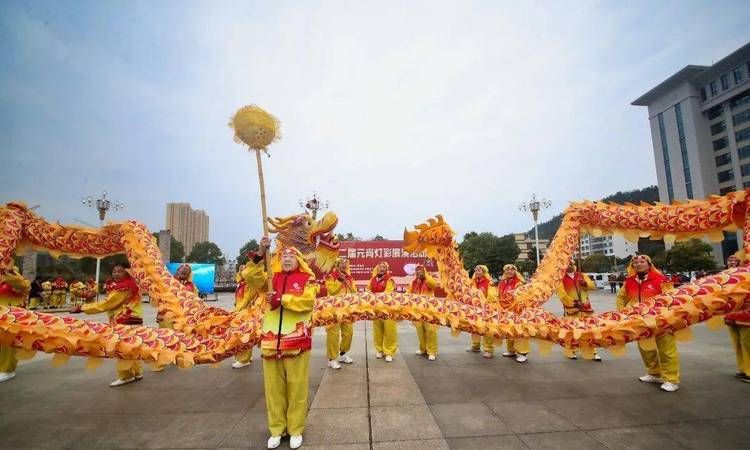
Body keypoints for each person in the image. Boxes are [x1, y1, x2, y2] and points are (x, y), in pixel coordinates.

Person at [240, 237, 317, 450]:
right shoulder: (271, 279)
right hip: (271, 341)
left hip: (297, 340)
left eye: (291, 257)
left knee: (297, 388)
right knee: (273, 389)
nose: (287, 259)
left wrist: (281, 299)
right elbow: (251, 277)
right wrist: (260, 251)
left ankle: (295, 429)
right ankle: (276, 429)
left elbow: (308, 302)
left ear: (299, 260)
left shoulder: (306, 279)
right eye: (284, 256)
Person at [616, 254, 679, 392]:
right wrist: (624, 312)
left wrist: (662, 314)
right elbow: (621, 298)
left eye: (642, 261)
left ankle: (671, 379)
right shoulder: (629, 281)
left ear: (649, 264)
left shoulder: (661, 279)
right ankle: (654, 373)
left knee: (667, 350)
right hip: (640, 322)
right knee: (646, 349)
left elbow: (671, 298)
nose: (638, 264)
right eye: (635, 262)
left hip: (661, 321)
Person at [82, 262, 144, 387]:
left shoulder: (124, 287)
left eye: (119, 271)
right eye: (114, 271)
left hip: (124, 321)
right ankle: (137, 372)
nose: (116, 274)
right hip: (133, 320)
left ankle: (126, 376)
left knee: (122, 349)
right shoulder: (131, 284)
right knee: (132, 348)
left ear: (126, 272)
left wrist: (82, 308)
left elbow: (106, 304)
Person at [557, 261, 601, 361]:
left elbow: (593, 286)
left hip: (586, 308)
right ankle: (571, 351)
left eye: (571, 264)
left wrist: (585, 284)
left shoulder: (582, 275)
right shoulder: (560, 279)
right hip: (572, 310)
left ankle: (592, 352)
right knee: (572, 331)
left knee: (589, 331)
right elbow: (562, 295)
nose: (569, 266)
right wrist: (575, 303)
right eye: (566, 264)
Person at [0, 266, 31, 383]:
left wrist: (7, 273)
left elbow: (24, 286)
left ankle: (7, 369)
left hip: (10, 317)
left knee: (7, 344)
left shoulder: (13, 276)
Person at [324, 258, 355, 369]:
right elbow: (331, 291)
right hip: (333, 309)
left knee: (349, 333)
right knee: (333, 334)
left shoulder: (349, 277)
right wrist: (339, 281)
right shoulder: (331, 277)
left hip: (347, 309)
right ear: (336, 264)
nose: (344, 265)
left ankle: (343, 353)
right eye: (341, 263)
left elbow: (353, 292)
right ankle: (332, 359)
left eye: (345, 263)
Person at [724, 254, 750, 383]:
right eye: (730, 260)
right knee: (737, 344)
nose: (732, 262)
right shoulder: (724, 276)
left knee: (747, 344)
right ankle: (742, 369)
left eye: (735, 260)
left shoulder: (746, 276)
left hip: (746, 316)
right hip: (731, 316)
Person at [368, 261, 397, 362]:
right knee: (377, 330)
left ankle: (389, 352)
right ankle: (380, 350)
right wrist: (369, 295)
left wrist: (375, 297)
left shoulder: (390, 279)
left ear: (386, 269)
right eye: (380, 267)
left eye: (384, 267)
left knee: (389, 331)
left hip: (387, 309)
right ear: (377, 268)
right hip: (376, 310)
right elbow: (368, 290)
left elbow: (388, 293)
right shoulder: (372, 279)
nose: (382, 268)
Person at [499, 264, 528, 363]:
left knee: (519, 332)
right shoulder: (502, 283)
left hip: (517, 311)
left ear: (515, 272)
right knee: (509, 331)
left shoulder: (519, 284)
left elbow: (521, 298)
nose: (509, 271)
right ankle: (511, 350)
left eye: (512, 270)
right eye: (507, 270)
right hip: (506, 311)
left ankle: (523, 353)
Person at [409, 265, 439, 361]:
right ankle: (423, 349)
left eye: (420, 270)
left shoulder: (429, 280)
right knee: (420, 331)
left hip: (429, 310)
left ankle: (432, 351)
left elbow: (434, 285)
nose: (418, 272)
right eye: (417, 271)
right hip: (418, 311)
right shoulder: (414, 283)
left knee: (430, 331)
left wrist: (425, 276)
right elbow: (408, 294)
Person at [466, 265, 496, 358]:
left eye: (479, 270)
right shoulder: (473, 282)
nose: (477, 272)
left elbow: (492, 295)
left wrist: (486, 306)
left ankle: (488, 349)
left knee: (487, 330)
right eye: (476, 270)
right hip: (474, 309)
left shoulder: (489, 282)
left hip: (486, 310)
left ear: (484, 272)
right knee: (475, 328)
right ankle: (475, 346)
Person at [231, 263, 254, 369]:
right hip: (240, 313)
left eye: (245, 269)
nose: (242, 271)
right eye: (241, 269)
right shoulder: (241, 283)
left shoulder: (249, 285)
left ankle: (244, 359)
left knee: (244, 336)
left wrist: (238, 312)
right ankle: (246, 356)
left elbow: (246, 301)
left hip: (246, 314)